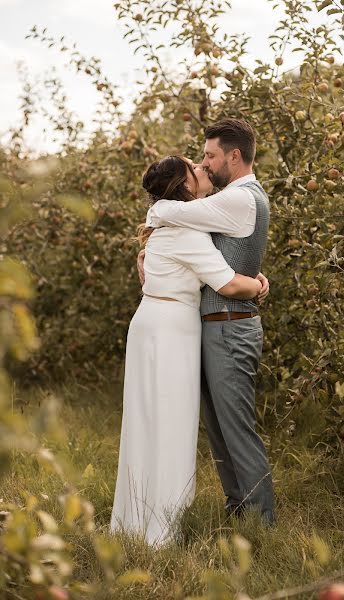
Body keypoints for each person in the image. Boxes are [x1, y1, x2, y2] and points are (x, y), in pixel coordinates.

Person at [110, 155, 266, 546]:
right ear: (185, 185)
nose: (203, 168)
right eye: (194, 168)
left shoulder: (167, 221)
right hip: (171, 331)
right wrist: (260, 285)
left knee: (145, 422)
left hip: (148, 322)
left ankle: (133, 522)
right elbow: (228, 284)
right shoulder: (185, 230)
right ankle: (160, 532)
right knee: (171, 424)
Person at [143, 118, 275, 525]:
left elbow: (167, 209)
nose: (206, 163)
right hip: (216, 325)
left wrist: (152, 216)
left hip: (231, 327)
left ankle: (261, 523)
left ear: (234, 156)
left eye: (210, 156)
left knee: (236, 430)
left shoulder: (239, 198)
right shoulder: (234, 198)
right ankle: (239, 511)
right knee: (219, 430)